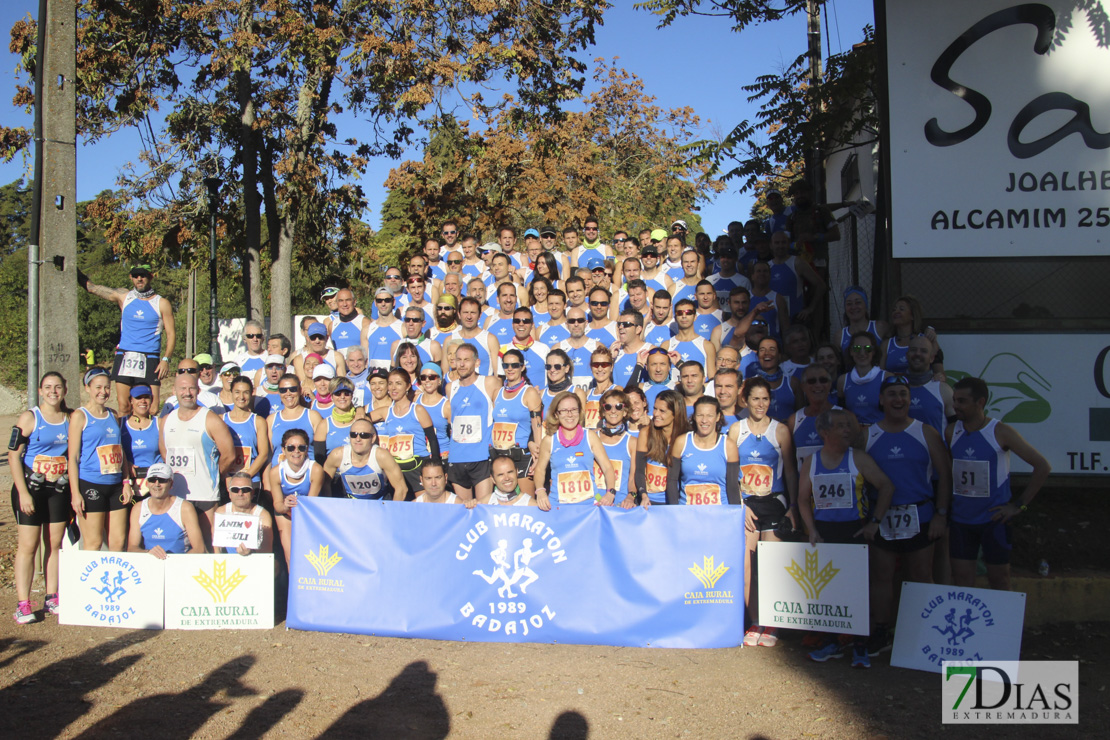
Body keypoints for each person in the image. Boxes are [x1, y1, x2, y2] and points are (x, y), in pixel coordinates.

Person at [799, 409, 894, 668]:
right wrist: (811, 529)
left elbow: (886, 486)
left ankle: (861, 642)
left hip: (855, 530)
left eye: (849, 426)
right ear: (824, 432)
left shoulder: (859, 459)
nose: (847, 430)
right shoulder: (812, 461)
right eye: (840, 426)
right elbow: (802, 499)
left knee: (859, 588)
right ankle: (832, 641)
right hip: (825, 532)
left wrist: (874, 523)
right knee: (829, 589)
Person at [866, 375, 952, 658]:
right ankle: (881, 631)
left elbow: (945, 476)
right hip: (882, 515)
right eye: (891, 394)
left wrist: (940, 514)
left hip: (921, 513)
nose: (898, 399)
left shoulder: (926, 432)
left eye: (903, 394)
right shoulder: (867, 434)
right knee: (882, 576)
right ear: (881, 399)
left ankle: (926, 632)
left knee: (920, 575)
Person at [948, 377, 1051, 591]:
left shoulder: (1000, 432)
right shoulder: (951, 432)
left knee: (1000, 580)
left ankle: (1006, 625)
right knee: (962, 582)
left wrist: (1018, 505)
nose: (956, 406)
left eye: (962, 401)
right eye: (954, 400)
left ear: (980, 402)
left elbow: (1042, 466)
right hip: (961, 520)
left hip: (993, 520)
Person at [727, 377, 798, 649]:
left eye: (765, 399)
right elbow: (731, 472)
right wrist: (740, 505)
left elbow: (790, 470)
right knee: (747, 569)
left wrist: (792, 507)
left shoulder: (780, 431)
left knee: (771, 567)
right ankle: (754, 621)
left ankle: (773, 622)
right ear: (745, 400)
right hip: (747, 506)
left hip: (774, 504)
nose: (760, 404)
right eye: (755, 399)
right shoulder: (737, 430)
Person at [9, 372, 70, 623]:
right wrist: (23, 492)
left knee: (54, 545)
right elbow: (13, 455)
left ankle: (51, 597)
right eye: (48, 387)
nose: (53, 392)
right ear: (40, 391)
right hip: (31, 489)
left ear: (65, 390)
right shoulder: (30, 417)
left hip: (57, 489)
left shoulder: (70, 418)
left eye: (57, 387)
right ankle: (23, 603)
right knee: (28, 546)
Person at [80, 263, 176, 416]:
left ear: (150, 277)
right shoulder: (124, 297)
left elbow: (171, 334)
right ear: (131, 277)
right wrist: (72, 269)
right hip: (126, 356)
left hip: (149, 357)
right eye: (136, 275)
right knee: (124, 406)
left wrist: (166, 359)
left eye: (143, 275)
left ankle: (147, 437)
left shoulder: (161, 303)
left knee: (152, 408)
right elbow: (92, 288)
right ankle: (124, 438)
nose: (139, 279)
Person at [159, 369, 236, 547]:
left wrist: (214, 476)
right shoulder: (166, 420)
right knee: (177, 546)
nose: (187, 393)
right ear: (174, 391)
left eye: (191, 389)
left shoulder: (210, 419)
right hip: (175, 496)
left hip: (204, 495)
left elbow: (229, 455)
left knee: (207, 547)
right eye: (183, 388)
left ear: (198, 390)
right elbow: (165, 453)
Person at [68, 368, 128, 552]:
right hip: (91, 484)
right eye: (98, 387)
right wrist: (75, 493)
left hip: (116, 484)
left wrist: (126, 482)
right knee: (93, 543)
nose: (103, 392)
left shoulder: (113, 415)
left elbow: (121, 451)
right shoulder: (80, 416)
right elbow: (73, 457)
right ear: (87, 388)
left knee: (117, 543)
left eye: (107, 387)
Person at [531, 391, 617, 509]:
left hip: (590, 504)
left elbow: (607, 468)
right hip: (558, 505)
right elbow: (540, 470)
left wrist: (610, 492)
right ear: (556, 414)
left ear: (579, 411)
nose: (570, 414)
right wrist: (540, 491)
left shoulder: (590, 436)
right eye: (564, 411)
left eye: (573, 410)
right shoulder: (549, 440)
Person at [369, 368, 441, 496]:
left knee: (421, 506)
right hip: (396, 467)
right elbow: (361, 419)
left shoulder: (417, 410)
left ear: (408, 386)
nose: (393, 388)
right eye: (390, 383)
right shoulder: (386, 412)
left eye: (398, 383)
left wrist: (435, 467)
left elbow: (432, 439)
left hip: (417, 464)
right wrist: (357, 410)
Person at [445, 343, 502, 501]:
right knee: (463, 510)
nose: (462, 364)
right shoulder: (450, 388)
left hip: (481, 457)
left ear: (476, 362)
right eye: (458, 360)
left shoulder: (489, 383)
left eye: (466, 360)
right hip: (457, 457)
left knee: (484, 506)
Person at [667, 396, 741, 507]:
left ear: (717, 417)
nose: (704, 420)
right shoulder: (682, 442)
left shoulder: (728, 445)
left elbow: (733, 486)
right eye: (700, 415)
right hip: (687, 512)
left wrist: (736, 513)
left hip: (719, 513)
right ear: (694, 417)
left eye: (710, 415)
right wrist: (675, 510)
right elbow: (672, 480)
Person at [269, 429, 326, 565]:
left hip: (307, 515)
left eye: (301, 448)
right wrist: (285, 505)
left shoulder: (316, 470)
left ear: (307, 450)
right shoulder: (276, 472)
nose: (296, 452)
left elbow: (311, 503)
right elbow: (277, 504)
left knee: (309, 556)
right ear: (283, 450)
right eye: (291, 448)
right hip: (285, 515)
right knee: (290, 557)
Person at [491, 349, 542, 495]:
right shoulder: (497, 393)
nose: (510, 369)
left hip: (521, 456)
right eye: (506, 365)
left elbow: (537, 426)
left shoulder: (529, 392)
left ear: (522, 367)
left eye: (514, 365)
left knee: (525, 502)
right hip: (499, 456)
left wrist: (538, 457)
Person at [127, 462, 205, 558]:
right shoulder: (138, 509)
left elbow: (199, 549)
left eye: (162, 480)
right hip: (150, 565)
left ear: (171, 484)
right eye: (152, 480)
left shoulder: (185, 508)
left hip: (179, 566)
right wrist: (148, 553)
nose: (157, 484)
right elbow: (132, 548)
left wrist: (174, 564)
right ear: (147, 483)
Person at [788, 364, 853, 469]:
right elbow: (791, 466)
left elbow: (857, 458)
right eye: (812, 381)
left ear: (830, 384)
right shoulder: (793, 421)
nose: (818, 385)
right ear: (803, 386)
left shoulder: (847, 417)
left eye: (823, 380)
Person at [323, 419, 406, 501]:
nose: (358, 439)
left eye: (364, 435)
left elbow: (401, 488)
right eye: (353, 434)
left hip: (380, 502)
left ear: (373, 438)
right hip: (351, 502)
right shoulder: (337, 455)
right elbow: (324, 483)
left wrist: (392, 512)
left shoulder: (381, 456)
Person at [635, 389, 689, 507]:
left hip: (675, 501)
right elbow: (639, 470)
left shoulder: (686, 437)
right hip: (648, 501)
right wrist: (643, 495)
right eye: (655, 409)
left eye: (662, 411)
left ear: (676, 413)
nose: (656, 414)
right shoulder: (646, 433)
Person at [224, 376, 271, 493]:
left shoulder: (258, 421)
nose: (241, 397)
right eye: (237, 392)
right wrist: (227, 477)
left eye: (245, 392)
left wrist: (245, 477)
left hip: (251, 479)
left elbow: (263, 454)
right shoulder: (222, 420)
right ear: (231, 393)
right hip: (227, 479)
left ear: (252, 393)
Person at [266, 374, 323, 465]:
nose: (288, 393)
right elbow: (268, 456)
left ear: (300, 390)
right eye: (283, 390)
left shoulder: (313, 416)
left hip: (308, 473)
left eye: (292, 389)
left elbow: (321, 453)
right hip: (279, 475)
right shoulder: (271, 420)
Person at [882, 295, 943, 377]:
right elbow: (880, 375)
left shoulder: (927, 340)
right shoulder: (886, 344)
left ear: (912, 316)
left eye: (901, 309)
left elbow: (940, 374)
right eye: (894, 309)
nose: (896, 312)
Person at [216, 471, 275, 555]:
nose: (240, 494)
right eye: (235, 490)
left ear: (252, 493)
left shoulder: (262, 516)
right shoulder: (221, 513)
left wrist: (250, 552)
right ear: (229, 493)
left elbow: (266, 552)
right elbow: (217, 551)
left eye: (245, 489)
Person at [121, 384, 162, 503]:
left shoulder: (159, 423)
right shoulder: (120, 423)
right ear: (131, 401)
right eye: (138, 397)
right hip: (129, 484)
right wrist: (125, 463)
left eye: (146, 397)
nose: (143, 401)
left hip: (155, 483)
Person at [837, 331, 889, 426]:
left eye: (867, 348)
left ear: (873, 352)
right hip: (853, 434)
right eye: (857, 348)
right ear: (851, 352)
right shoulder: (842, 381)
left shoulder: (886, 378)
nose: (862, 353)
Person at [905, 335, 955, 434]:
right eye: (913, 350)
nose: (917, 354)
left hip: (935, 449)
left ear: (932, 358)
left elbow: (956, 428)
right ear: (907, 355)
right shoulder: (895, 389)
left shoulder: (943, 390)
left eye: (924, 351)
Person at [744, 336, 801, 423]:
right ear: (758, 355)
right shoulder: (749, 383)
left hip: (786, 434)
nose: (767, 353)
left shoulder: (793, 382)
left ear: (779, 356)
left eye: (772, 349)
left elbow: (800, 415)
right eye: (762, 350)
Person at [313, 377, 362, 466]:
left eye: (347, 393)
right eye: (338, 393)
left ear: (352, 396)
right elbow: (319, 459)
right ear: (331, 397)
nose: (342, 397)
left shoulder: (361, 419)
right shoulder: (324, 425)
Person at [451, 297, 501, 375]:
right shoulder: (450, 339)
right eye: (465, 312)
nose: (469, 316)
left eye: (473, 312)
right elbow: (445, 374)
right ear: (459, 314)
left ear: (480, 315)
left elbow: (498, 374)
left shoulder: (490, 339)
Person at [839, 287, 889, 366]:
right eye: (849, 304)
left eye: (858, 302)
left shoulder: (880, 327)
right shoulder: (840, 336)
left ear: (866, 305)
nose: (853, 307)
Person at [414, 363, 450, 465]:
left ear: (439, 381)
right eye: (423, 377)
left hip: (442, 454)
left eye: (432, 377)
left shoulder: (446, 405)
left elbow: (453, 433)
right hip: (420, 455)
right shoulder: (416, 400)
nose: (427, 380)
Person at [667, 299, 716, 372]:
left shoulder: (707, 346)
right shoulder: (666, 345)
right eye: (680, 313)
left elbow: (711, 379)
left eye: (688, 312)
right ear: (675, 318)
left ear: (695, 317)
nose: (684, 316)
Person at [472, 455, 538, 506]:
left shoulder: (530, 505)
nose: (507, 478)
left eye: (510, 472)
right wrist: (469, 505)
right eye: (500, 475)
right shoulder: (484, 504)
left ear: (517, 472)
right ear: (493, 479)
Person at [366, 288, 405, 369]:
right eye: (379, 300)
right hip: (373, 378)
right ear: (375, 303)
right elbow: (365, 361)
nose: (383, 304)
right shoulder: (367, 329)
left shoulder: (403, 328)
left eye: (387, 300)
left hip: (395, 377)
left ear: (393, 302)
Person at [584, 346, 616, 428]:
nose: (600, 369)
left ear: (611, 367)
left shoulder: (616, 390)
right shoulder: (587, 394)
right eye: (595, 365)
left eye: (604, 365)